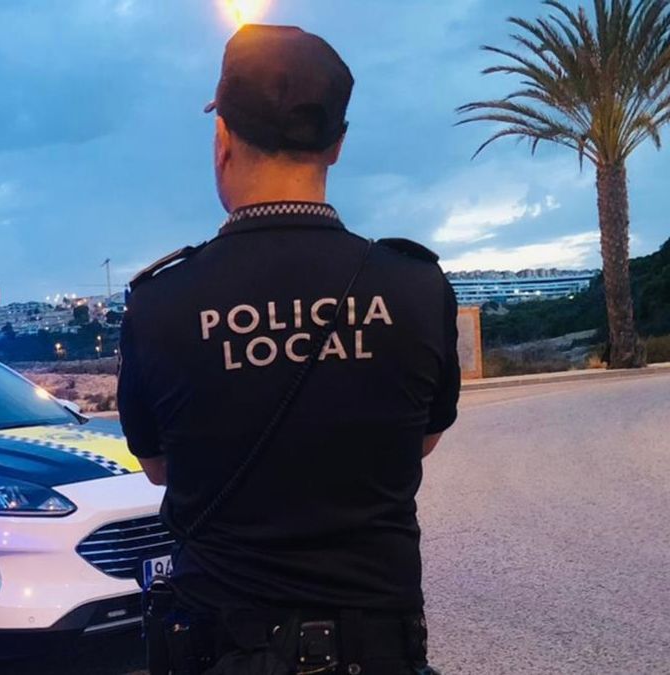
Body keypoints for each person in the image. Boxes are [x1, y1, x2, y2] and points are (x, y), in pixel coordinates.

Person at [119, 25, 459, 675]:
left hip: (228, 650)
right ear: (337, 145)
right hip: (379, 653)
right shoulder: (415, 286)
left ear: (222, 141)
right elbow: (421, 437)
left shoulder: (159, 305)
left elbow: (159, 467)